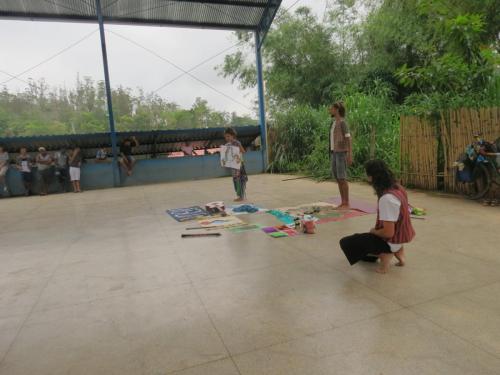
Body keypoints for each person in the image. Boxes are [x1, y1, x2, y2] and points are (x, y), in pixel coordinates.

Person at [339, 160, 416, 274]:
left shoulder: (387, 199)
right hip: (401, 237)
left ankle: (386, 254)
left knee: (346, 243)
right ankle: (398, 252)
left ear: (371, 177)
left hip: (391, 241)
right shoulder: (398, 187)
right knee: (365, 255)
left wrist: (374, 231)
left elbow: (388, 233)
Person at [329, 101, 352, 209]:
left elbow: (348, 138)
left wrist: (349, 154)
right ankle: (343, 201)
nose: (330, 110)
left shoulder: (343, 123)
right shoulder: (333, 123)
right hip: (334, 152)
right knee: (338, 178)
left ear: (337, 110)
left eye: (332, 108)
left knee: (342, 178)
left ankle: (346, 202)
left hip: (341, 153)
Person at [224, 127, 248, 202]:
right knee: (235, 180)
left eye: (228, 136)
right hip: (233, 166)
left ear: (233, 135)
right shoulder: (227, 145)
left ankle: (241, 196)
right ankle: (239, 195)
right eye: (225, 136)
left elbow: (243, 151)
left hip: (239, 165)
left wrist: (236, 151)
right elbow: (226, 156)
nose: (227, 138)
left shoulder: (237, 143)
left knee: (240, 180)